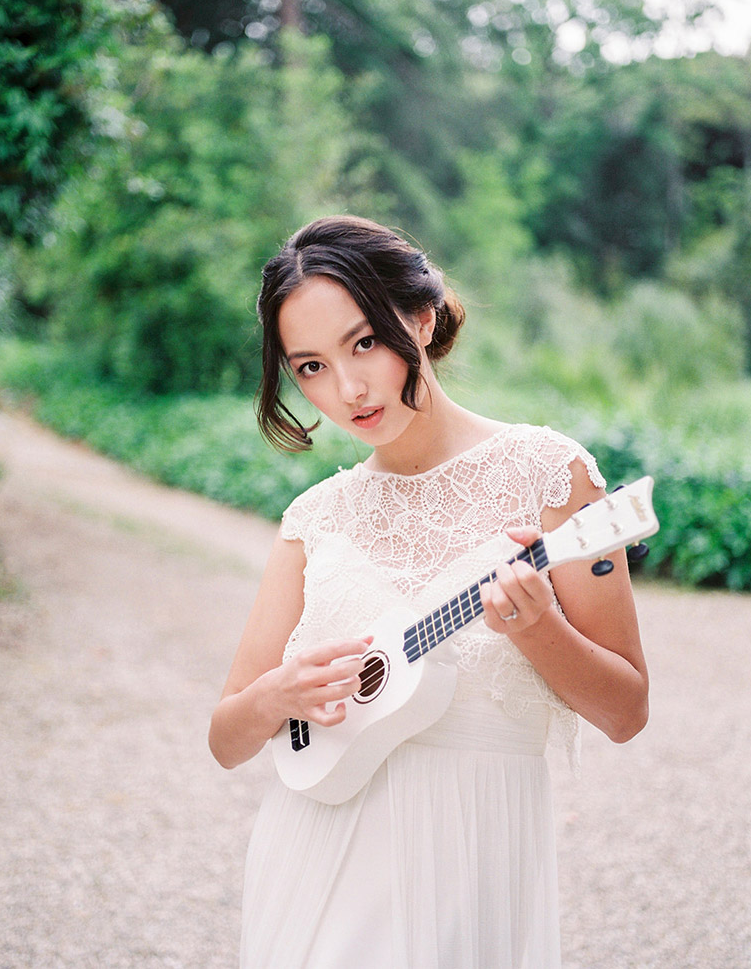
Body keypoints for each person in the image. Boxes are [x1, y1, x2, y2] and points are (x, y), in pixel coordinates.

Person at [209, 215, 649, 968]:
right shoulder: (314, 519)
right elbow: (226, 737)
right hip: (315, 849)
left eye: (363, 343)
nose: (345, 389)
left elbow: (626, 710)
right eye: (309, 366)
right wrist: (276, 695)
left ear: (419, 316)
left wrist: (539, 629)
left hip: (469, 857)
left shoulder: (550, 474)